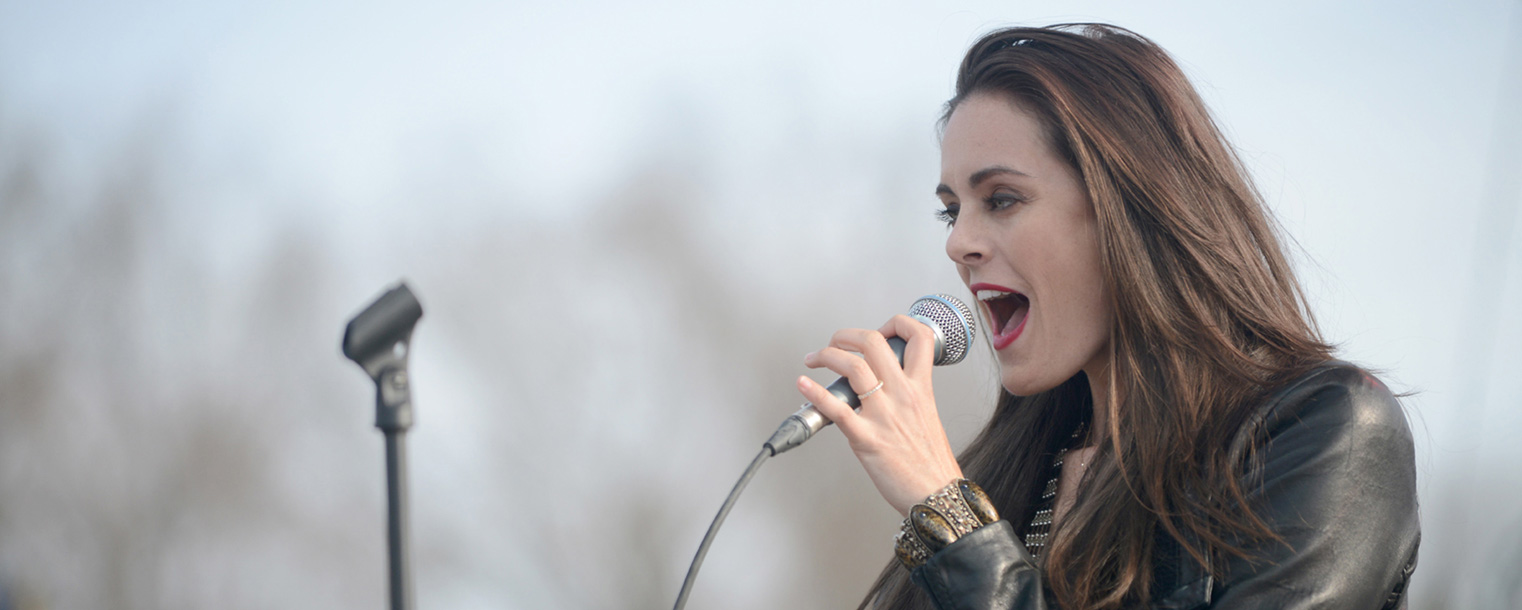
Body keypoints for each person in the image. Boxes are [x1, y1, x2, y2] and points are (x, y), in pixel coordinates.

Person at [794, 24, 1419, 610]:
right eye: (951, 211)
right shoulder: (1020, 468)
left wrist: (952, 519)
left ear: (1129, 209)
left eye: (1002, 199)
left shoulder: (1320, 432)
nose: (959, 243)